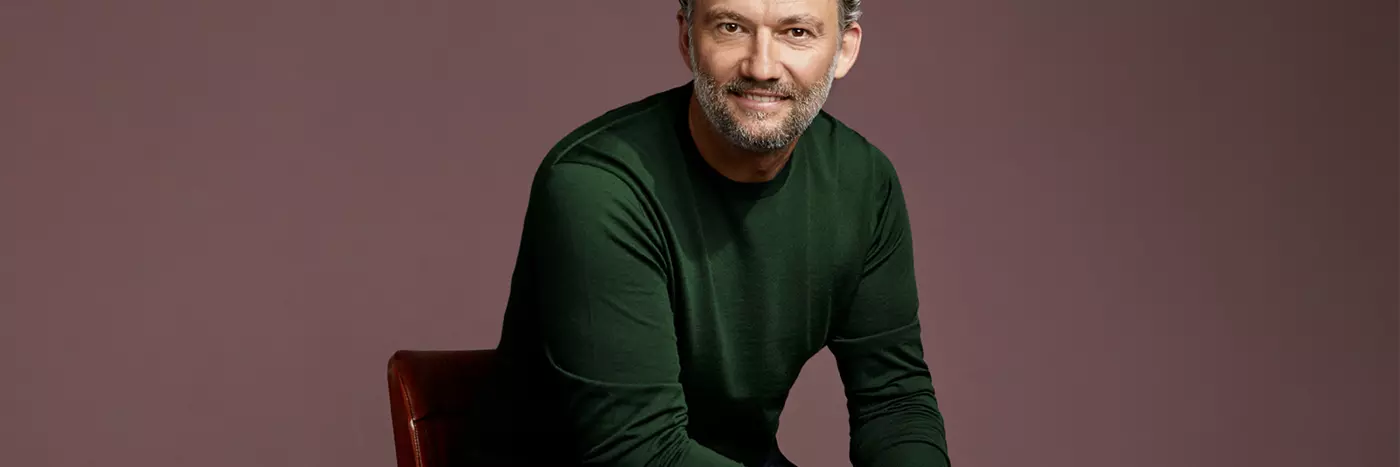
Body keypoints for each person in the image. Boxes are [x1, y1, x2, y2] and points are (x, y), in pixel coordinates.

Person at [464, 0, 950, 466]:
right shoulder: (597, 186)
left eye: (795, 32)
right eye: (731, 27)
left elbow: (895, 404)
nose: (762, 66)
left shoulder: (863, 182)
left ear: (844, 48)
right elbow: (639, 452)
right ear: (686, 38)